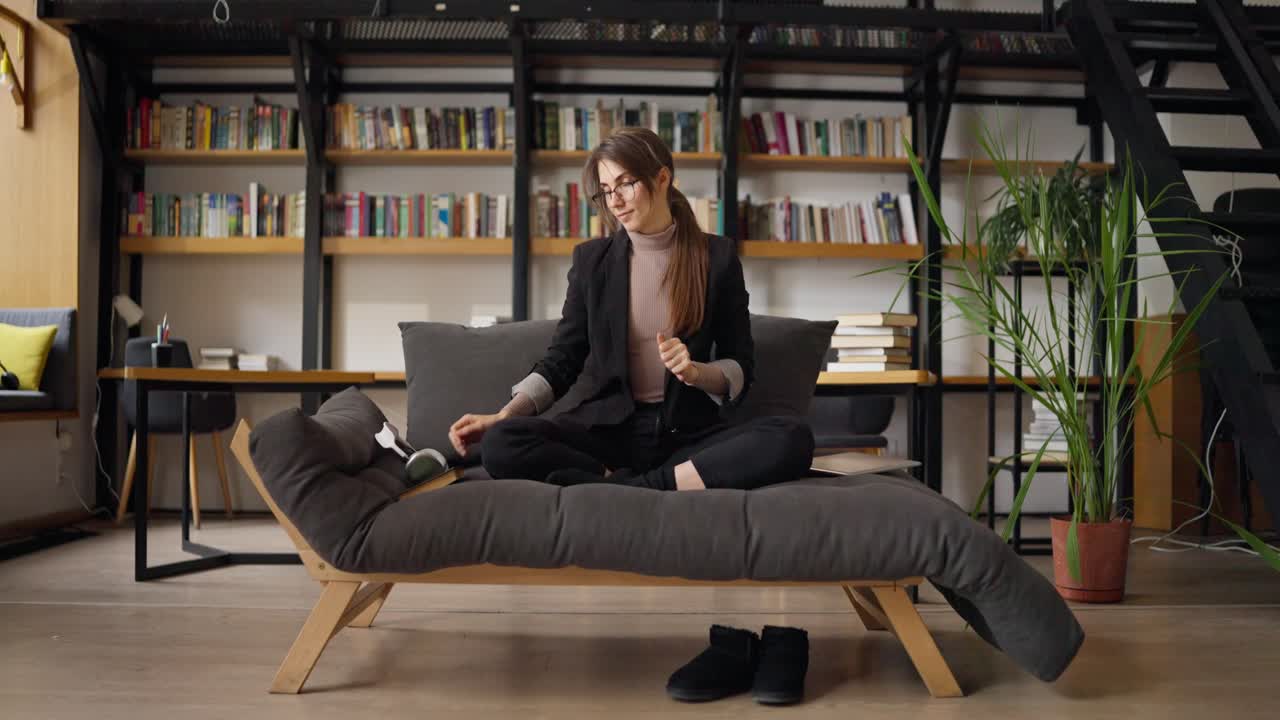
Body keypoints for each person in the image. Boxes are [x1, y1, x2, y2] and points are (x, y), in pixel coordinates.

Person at [448, 127, 813, 703]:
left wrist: (698, 374)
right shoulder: (592, 261)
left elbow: (741, 364)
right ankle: (642, 488)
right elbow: (563, 359)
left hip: (686, 439)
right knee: (503, 446)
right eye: (605, 190)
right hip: (605, 437)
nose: (615, 199)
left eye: (626, 184)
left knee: (791, 437)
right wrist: (505, 413)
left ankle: (638, 489)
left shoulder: (716, 257)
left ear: (661, 178)